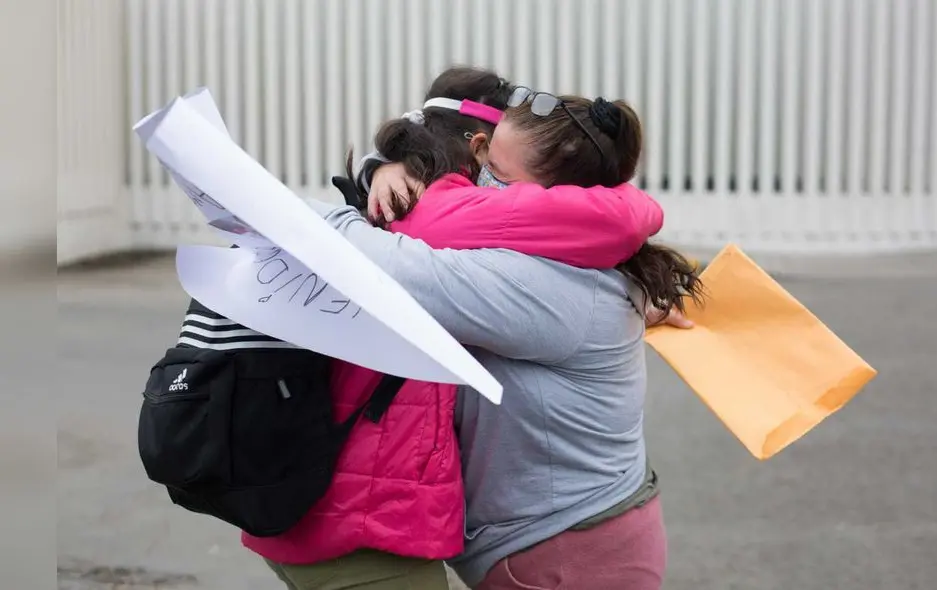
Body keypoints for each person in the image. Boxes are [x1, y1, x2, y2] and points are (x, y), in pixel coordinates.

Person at [241, 68, 672, 590]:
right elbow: (447, 114)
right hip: (564, 534)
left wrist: (283, 208)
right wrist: (388, 164)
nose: (476, 180)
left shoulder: (547, 285)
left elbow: (394, 269)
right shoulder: (573, 263)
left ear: (556, 202)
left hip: (571, 550)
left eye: (497, 176)